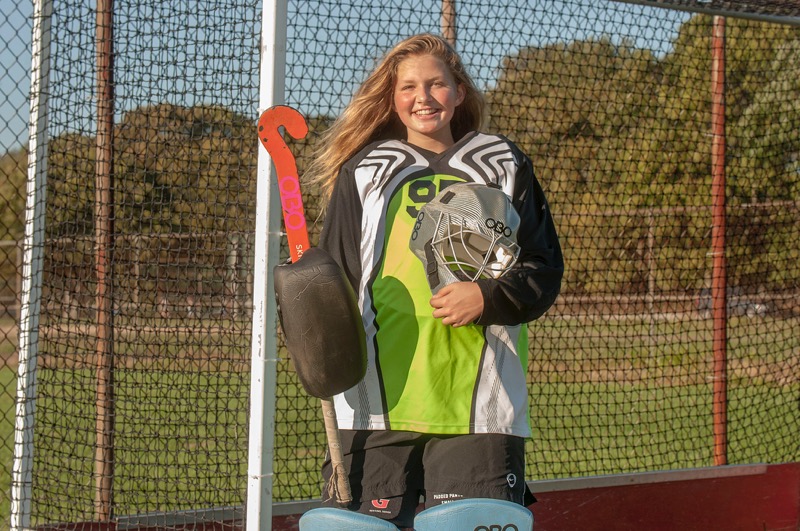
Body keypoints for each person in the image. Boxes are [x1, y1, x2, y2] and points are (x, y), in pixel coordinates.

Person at [305, 33, 564, 529]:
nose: (422, 98)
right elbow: (335, 278)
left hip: (479, 408)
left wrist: (487, 296)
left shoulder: (502, 163)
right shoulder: (365, 170)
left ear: (459, 92)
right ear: (392, 98)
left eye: (435, 84)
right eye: (408, 87)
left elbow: (543, 268)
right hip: (375, 402)